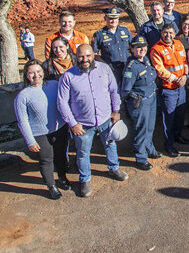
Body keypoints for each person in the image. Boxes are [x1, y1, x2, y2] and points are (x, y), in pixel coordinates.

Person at [57, 45, 128, 198]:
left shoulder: (104, 69)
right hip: (83, 124)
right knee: (83, 153)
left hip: (105, 119)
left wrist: (116, 111)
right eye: (81, 57)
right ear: (76, 57)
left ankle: (114, 168)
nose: (85, 60)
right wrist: (72, 123)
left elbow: (113, 90)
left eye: (88, 56)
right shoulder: (68, 76)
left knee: (110, 144)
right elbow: (62, 102)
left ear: (93, 55)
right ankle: (85, 180)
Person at [15, 60, 70, 199]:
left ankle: (62, 177)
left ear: (43, 72)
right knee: (46, 159)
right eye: (31, 73)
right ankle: (51, 185)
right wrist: (30, 140)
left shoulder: (54, 85)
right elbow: (23, 121)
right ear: (26, 75)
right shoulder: (23, 96)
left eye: (38, 71)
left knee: (61, 155)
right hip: (39, 133)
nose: (36, 75)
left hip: (60, 128)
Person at [120, 36, 161, 171]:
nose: (141, 49)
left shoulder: (146, 60)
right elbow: (125, 90)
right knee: (141, 129)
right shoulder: (131, 67)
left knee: (150, 127)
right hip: (140, 102)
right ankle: (141, 157)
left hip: (151, 98)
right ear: (131, 49)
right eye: (137, 47)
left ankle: (150, 148)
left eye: (143, 46)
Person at [150, 24, 189, 157]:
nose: (168, 35)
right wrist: (175, 79)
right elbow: (159, 69)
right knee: (169, 117)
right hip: (168, 89)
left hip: (181, 86)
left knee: (180, 114)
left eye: (171, 33)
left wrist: (185, 76)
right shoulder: (156, 49)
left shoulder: (178, 43)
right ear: (161, 33)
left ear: (174, 33)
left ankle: (178, 136)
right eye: (165, 33)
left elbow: (185, 61)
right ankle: (169, 144)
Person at [92, 8, 133, 83]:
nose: (113, 21)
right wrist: (105, 65)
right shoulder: (99, 34)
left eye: (115, 18)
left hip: (126, 67)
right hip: (111, 70)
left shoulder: (125, 30)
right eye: (110, 18)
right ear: (105, 18)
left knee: (128, 87)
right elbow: (94, 54)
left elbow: (133, 47)